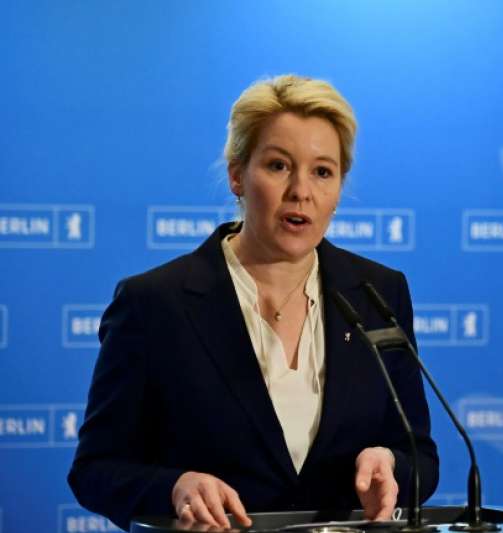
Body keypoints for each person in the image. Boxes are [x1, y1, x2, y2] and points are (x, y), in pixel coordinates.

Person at [68, 75, 439, 530]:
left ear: (339, 188)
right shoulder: (154, 304)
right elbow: (96, 470)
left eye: (323, 172)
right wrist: (174, 487)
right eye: (279, 166)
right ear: (237, 175)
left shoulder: (376, 293)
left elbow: (420, 456)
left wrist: (392, 464)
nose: (301, 191)